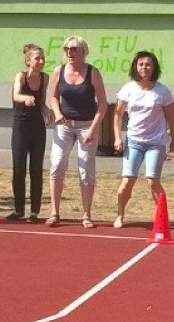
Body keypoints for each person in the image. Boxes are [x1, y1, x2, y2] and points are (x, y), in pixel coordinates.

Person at [47, 35, 107, 229]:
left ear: (83, 51)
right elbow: (54, 96)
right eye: (66, 49)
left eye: (73, 49)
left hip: (87, 125)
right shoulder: (59, 71)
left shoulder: (92, 73)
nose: (69, 52)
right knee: (57, 163)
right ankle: (55, 212)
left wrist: (92, 129)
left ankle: (86, 214)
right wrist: (57, 113)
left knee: (85, 169)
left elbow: (103, 105)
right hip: (64, 125)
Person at [112, 51, 174, 229]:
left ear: (154, 67)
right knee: (128, 180)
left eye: (148, 64)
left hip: (156, 143)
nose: (144, 68)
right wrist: (118, 137)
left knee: (152, 181)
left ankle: (162, 217)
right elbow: (117, 115)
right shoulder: (128, 89)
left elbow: (171, 117)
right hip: (133, 141)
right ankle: (120, 214)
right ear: (135, 66)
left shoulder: (162, 91)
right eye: (141, 64)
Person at [6, 44, 50, 223]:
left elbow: (42, 102)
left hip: (37, 128)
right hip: (21, 127)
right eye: (37, 58)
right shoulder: (21, 76)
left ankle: (34, 212)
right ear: (28, 61)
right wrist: (25, 98)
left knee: (36, 169)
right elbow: (16, 95)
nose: (40, 62)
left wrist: (47, 111)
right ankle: (18, 209)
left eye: (42, 58)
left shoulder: (45, 78)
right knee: (19, 168)